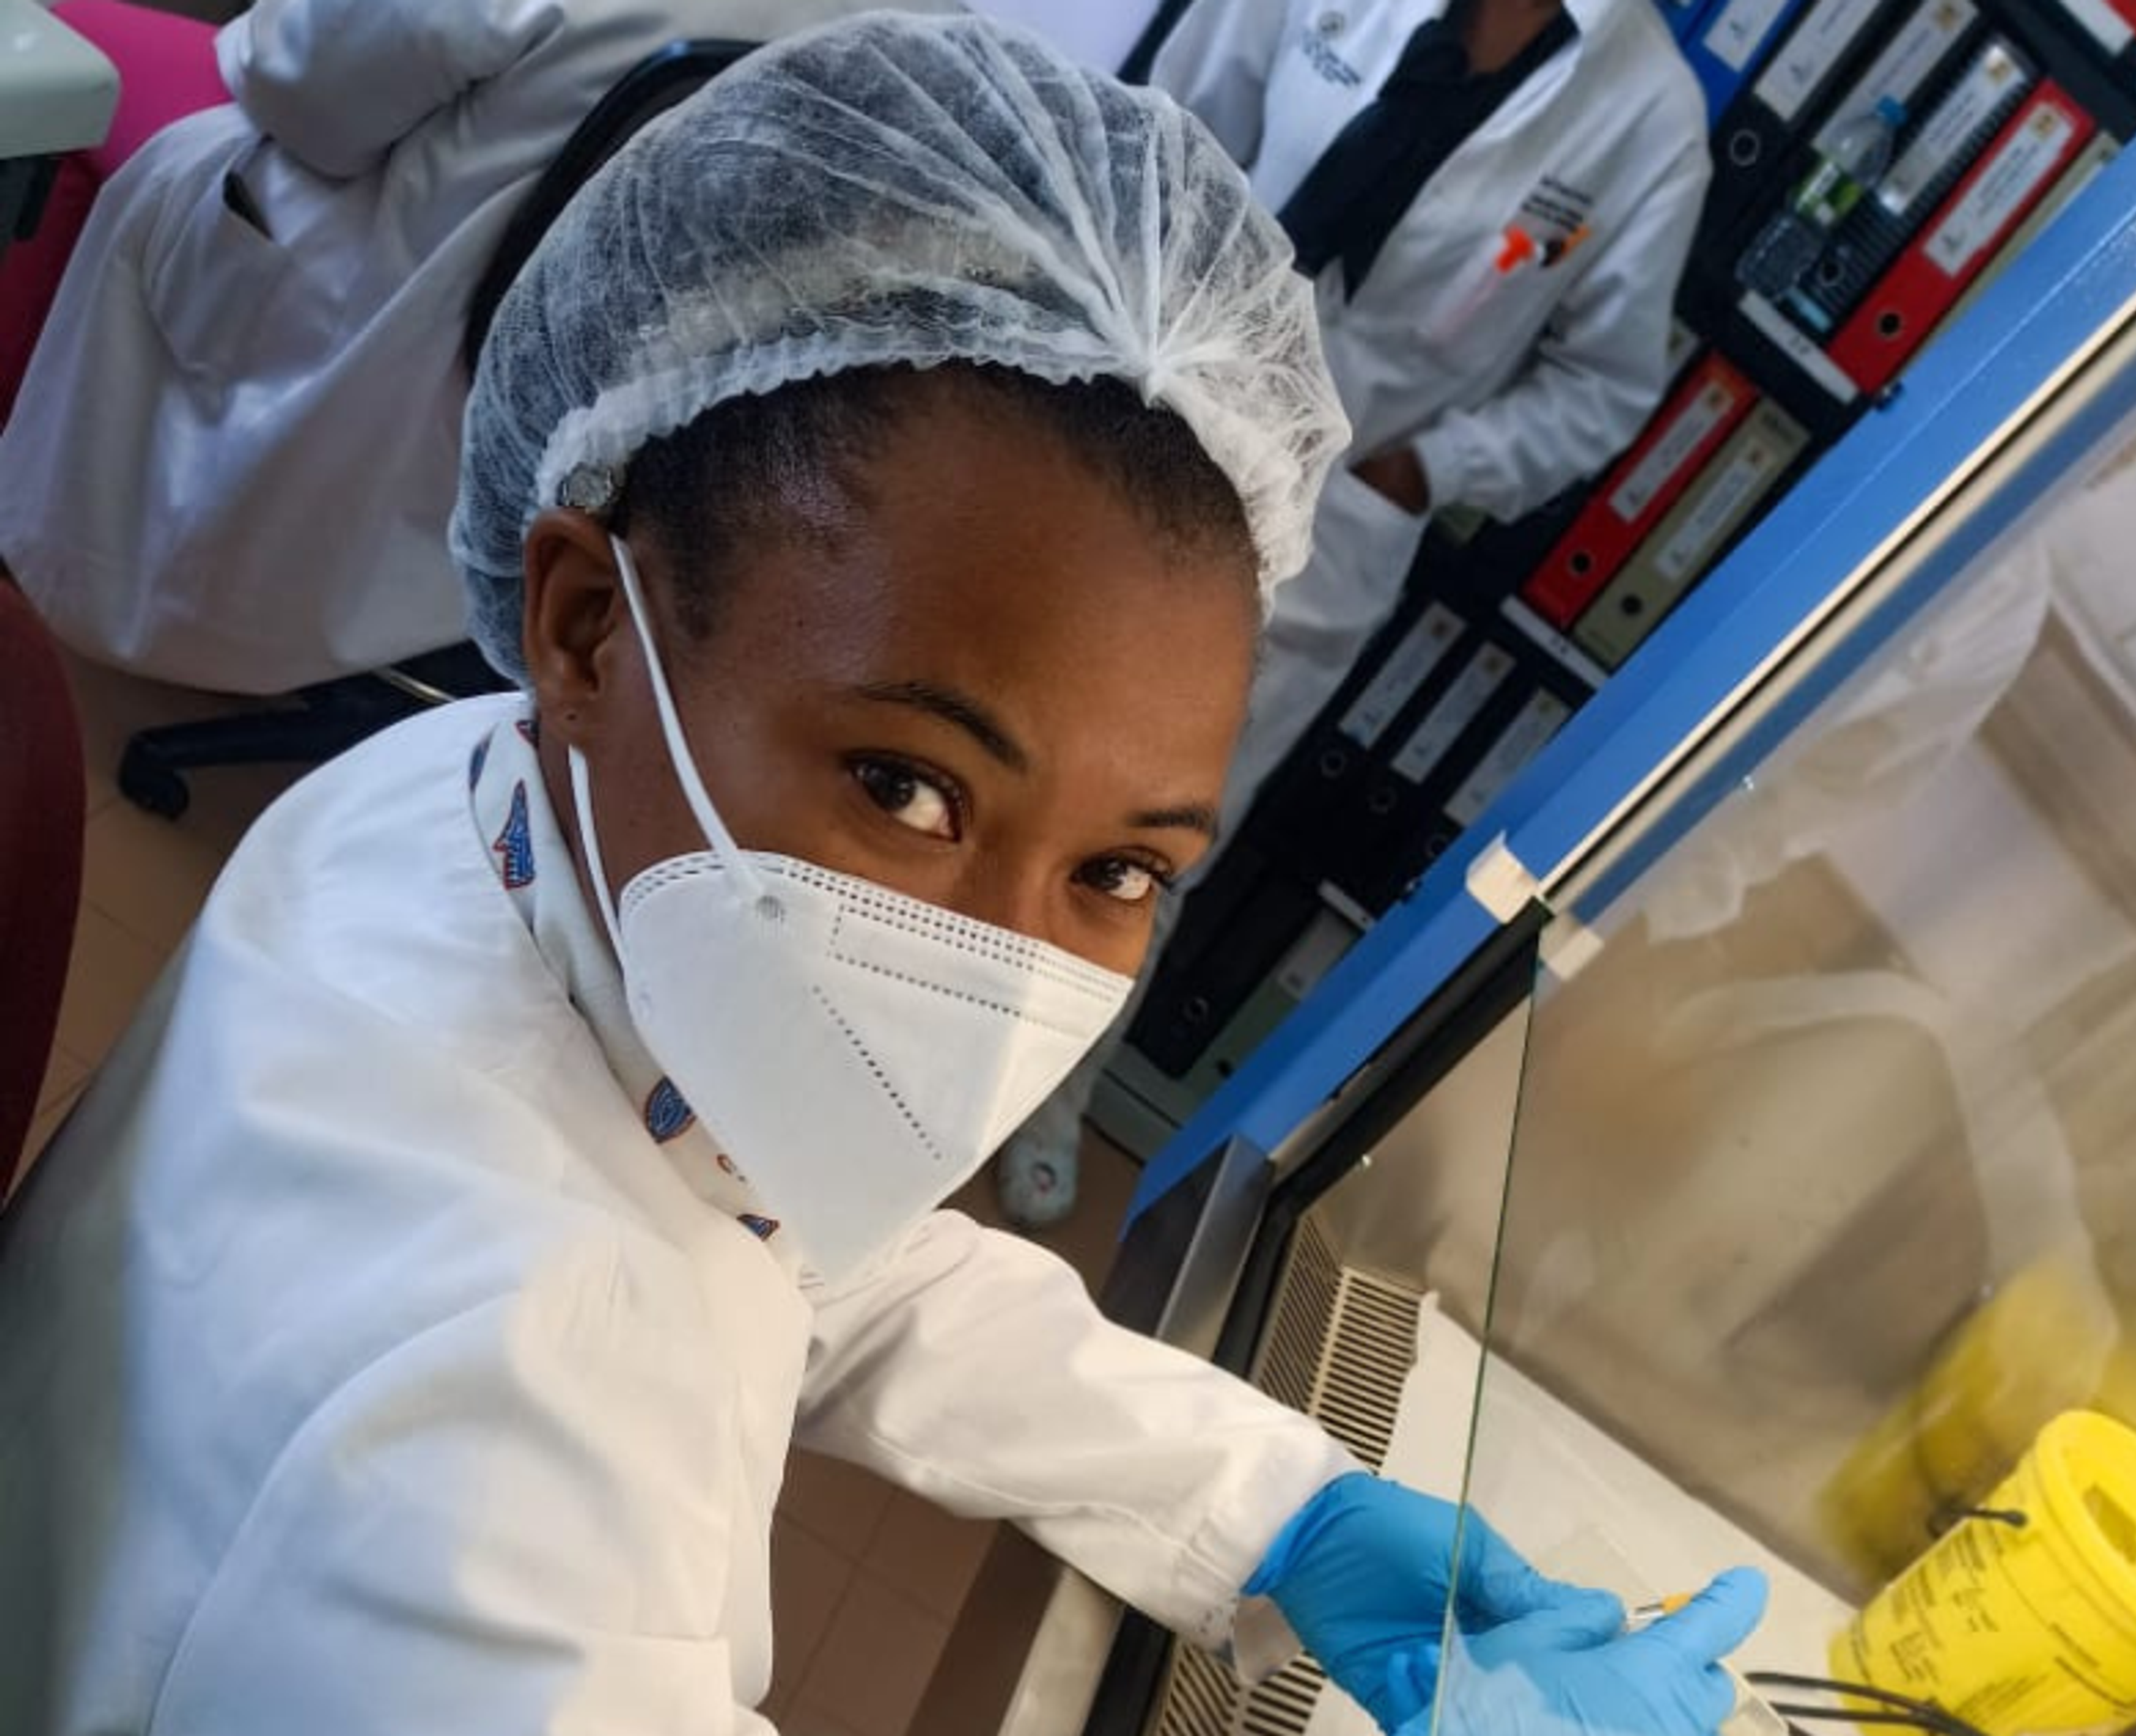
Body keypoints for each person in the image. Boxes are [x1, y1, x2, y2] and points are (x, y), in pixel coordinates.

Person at [0, 16, 1762, 1732]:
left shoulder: (503, 813)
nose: (996, 971)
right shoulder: (489, 1477)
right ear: (587, 620)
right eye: (910, 789)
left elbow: (808, 1240)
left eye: (1121, 871)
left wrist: (1280, 1509)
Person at [996, 0, 1713, 1225]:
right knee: (995, 695)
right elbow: (1170, 122)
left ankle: (1047, 1085)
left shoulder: (1652, 119)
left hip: (1335, 501)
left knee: (1167, 822)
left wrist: (1425, 471)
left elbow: (1602, 386)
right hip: (1145, 384)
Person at [0, 0, 953, 696]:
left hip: (384, 345)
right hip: (634, 432)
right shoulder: (944, 47)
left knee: (88, 48)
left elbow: (307, 100)